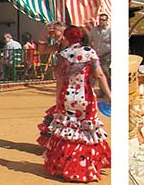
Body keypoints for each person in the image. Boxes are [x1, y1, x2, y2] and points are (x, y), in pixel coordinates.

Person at [38, 25, 111, 182]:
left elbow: (59, 80)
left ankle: (65, 166)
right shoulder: (89, 53)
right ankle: (87, 166)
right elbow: (99, 75)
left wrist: (58, 100)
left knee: (67, 130)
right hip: (85, 97)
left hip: (67, 97)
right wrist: (109, 95)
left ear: (67, 38)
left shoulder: (64, 54)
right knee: (86, 130)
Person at [88, 12, 111, 83]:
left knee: (104, 71)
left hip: (107, 54)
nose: (101, 21)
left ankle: (108, 89)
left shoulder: (110, 30)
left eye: (103, 20)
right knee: (97, 73)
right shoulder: (94, 30)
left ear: (107, 21)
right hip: (97, 55)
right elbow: (90, 40)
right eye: (100, 19)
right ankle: (103, 90)